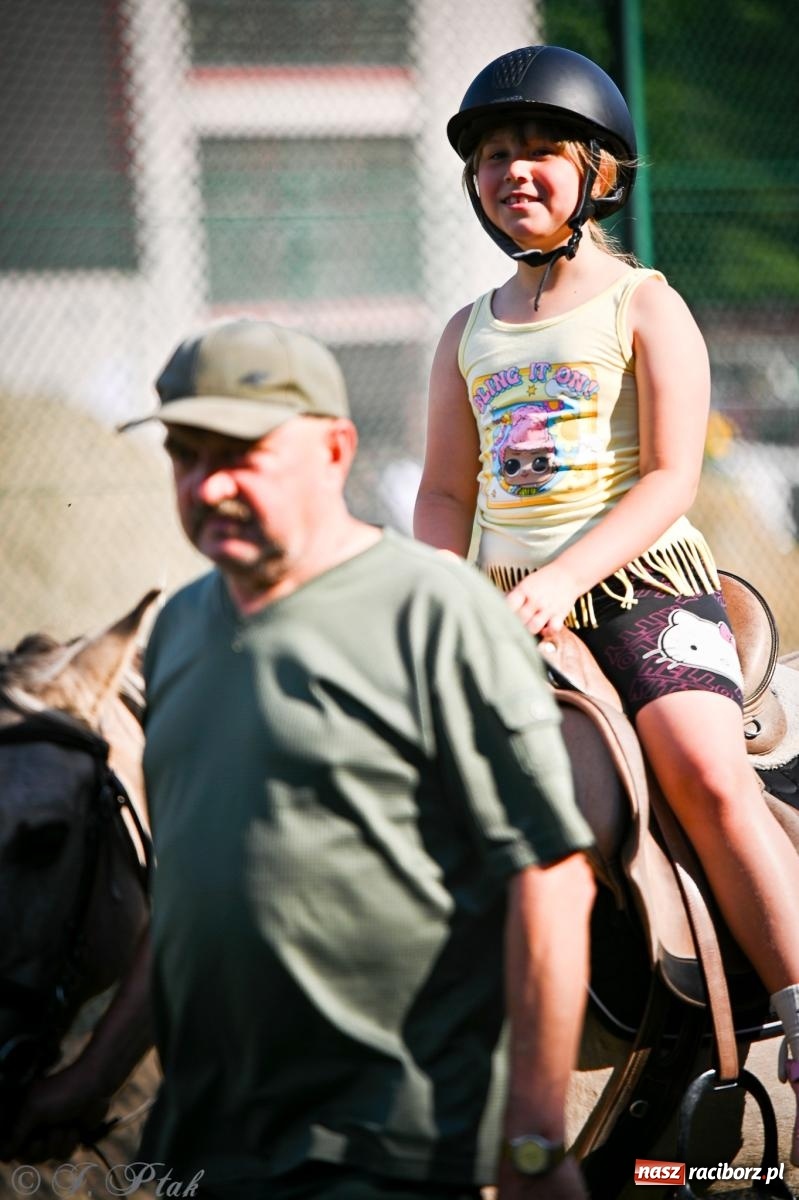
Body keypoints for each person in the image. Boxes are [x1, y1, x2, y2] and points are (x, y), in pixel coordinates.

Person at [413, 42, 799, 1162]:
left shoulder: (645, 302)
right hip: (501, 606)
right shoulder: (466, 332)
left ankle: (790, 987)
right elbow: (445, 490)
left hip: (637, 589)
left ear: (598, 174)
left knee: (701, 766)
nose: (513, 170)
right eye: (491, 155)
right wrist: (445, 590)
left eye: (539, 149)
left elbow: (670, 477)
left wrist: (561, 581)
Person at [129, 317, 595, 1199]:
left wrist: (533, 1140)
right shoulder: (177, 629)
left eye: (240, 453)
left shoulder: (435, 611)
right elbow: (188, 901)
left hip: (390, 1149)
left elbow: (549, 874)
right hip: (201, 1154)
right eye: (184, 454)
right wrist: (79, 1086)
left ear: (336, 449)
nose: (206, 483)